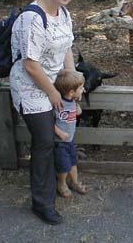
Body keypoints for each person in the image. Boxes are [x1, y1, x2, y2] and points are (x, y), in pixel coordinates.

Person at [9, 0, 78, 225]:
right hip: (31, 85)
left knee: (59, 136)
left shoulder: (64, 14)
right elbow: (30, 64)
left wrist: (73, 82)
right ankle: (42, 202)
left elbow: (67, 48)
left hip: (54, 83)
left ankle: (57, 185)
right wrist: (52, 94)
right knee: (45, 140)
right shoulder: (33, 17)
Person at [53, 69, 89, 198]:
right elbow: (48, 121)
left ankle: (75, 182)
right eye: (81, 88)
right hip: (60, 143)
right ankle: (61, 184)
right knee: (64, 166)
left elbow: (77, 112)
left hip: (70, 141)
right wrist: (59, 132)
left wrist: (77, 105)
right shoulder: (58, 104)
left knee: (73, 162)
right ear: (71, 92)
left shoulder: (72, 101)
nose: (83, 89)